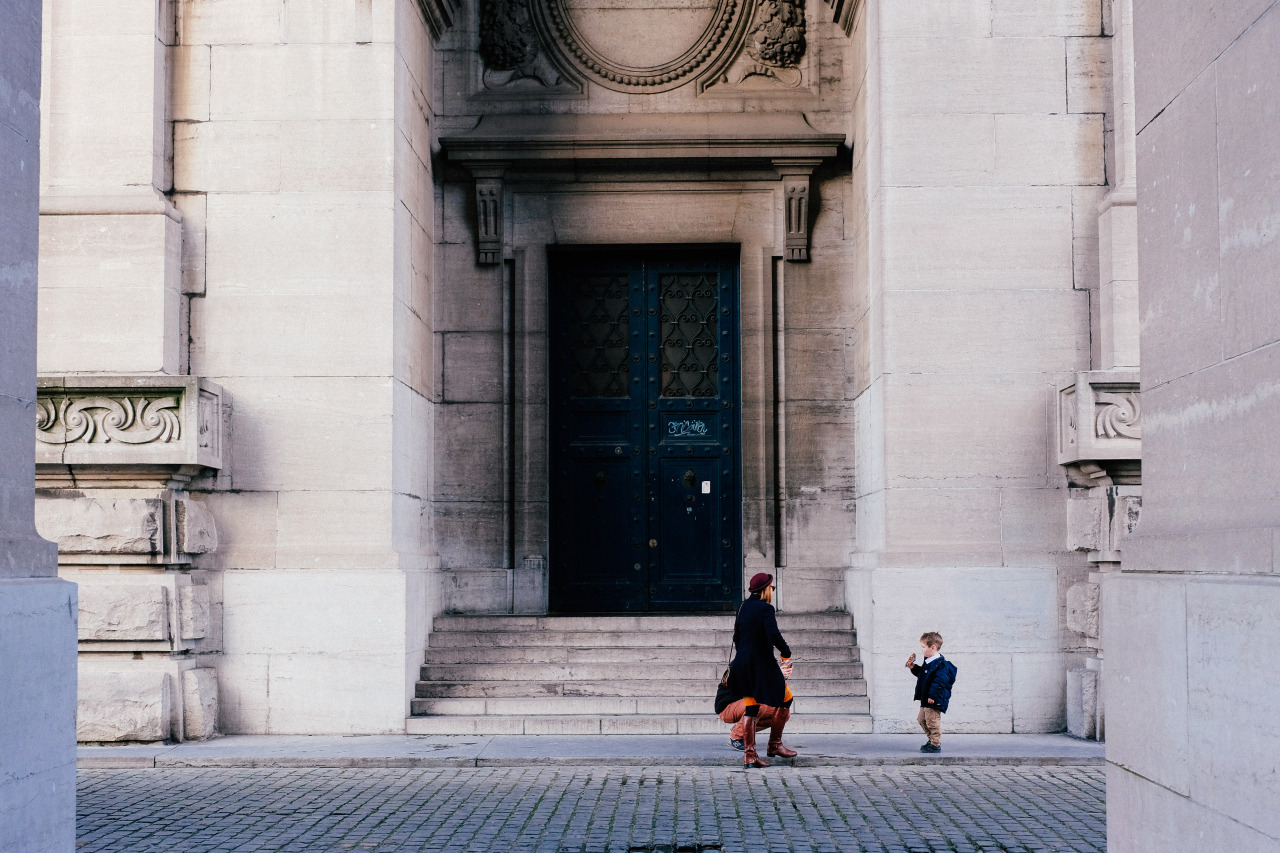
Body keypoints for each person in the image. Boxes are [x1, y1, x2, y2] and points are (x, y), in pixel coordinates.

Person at [727, 572, 796, 767]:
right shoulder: (766, 608)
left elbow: (737, 638)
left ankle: (750, 756)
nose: (772, 591)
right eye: (771, 588)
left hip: (743, 665)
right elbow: (773, 634)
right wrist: (786, 653)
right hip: (761, 665)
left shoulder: (742, 606)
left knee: (752, 707)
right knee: (787, 698)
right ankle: (774, 745)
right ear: (765, 589)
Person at [905, 631, 957, 754]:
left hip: (933, 699)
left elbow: (939, 682)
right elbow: (923, 676)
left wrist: (932, 696)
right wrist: (914, 668)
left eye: (923, 647)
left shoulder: (940, 665)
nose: (921, 649)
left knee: (932, 722)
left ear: (932, 648)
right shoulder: (928, 662)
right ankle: (931, 740)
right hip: (925, 698)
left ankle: (935, 744)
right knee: (921, 719)